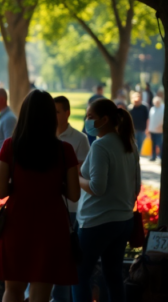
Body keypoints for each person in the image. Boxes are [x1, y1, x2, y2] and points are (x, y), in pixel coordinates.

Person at [0, 90, 81, 302]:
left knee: (12, 290)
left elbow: (0, 191)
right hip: (51, 225)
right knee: (41, 294)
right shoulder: (64, 150)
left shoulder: (10, 146)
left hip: (17, 222)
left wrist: (20, 186)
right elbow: (74, 194)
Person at [74, 98, 141, 302]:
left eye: (90, 117)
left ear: (104, 119)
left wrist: (76, 178)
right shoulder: (129, 144)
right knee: (113, 276)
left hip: (96, 222)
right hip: (123, 221)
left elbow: (96, 187)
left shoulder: (100, 146)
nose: (87, 121)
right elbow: (136, 186)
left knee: (79, 276)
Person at [51, 96, 91, 302]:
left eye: (57, 111)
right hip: (49, 207)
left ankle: (61, 298)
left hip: (71, 207)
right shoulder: (44, 137)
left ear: (67, 113)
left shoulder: (79, 139)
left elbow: (82, 174)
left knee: (65, 257)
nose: (53, 115)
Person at [148, 96, 164, 161]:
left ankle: (161, 157)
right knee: (153, 145)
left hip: (160, 130)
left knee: (160, 145)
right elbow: (150, 119)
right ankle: (153, 156)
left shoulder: (163, 108)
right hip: (152, 130)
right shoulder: (152, 109)